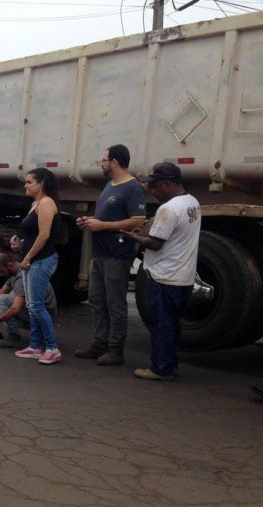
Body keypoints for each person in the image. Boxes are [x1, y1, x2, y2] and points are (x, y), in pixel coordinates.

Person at [122, 162, 201, 380]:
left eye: (155, 187)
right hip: (182, 276)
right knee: (172, 324)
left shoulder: (168, 208)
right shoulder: (192, 202)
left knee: (161, 323)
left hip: (165, 276)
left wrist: (134, 236)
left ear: (167, 184)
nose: (152, 192)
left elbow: (155, 243)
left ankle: (161, 368)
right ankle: (169, 364)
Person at [75, 144, 147, 366]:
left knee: (115, 302)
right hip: (99, 253)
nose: (102, 163)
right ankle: (99, 344)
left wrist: (102, 225)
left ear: (114, 162)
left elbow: (137, 220)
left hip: (117, 254)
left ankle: (116, 349)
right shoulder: (109, 185)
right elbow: (102, 219)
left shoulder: (133, 187)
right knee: (97, 300)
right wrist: (88, 222)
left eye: (104, 160)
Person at [14, 168, 61, 364]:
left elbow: (44, 235)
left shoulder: (47, 203)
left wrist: (28, 258)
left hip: (41, 260)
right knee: (32, 306)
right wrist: (18, 239)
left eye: (29, 182)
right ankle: (35, 346)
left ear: (41, 184)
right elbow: (30, 231)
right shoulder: (35, 204)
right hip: (31, 260)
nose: (25, 185)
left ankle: (52, 348)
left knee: (37, 305)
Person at [0, 252, 57, 348]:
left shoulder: (22, 276)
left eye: (2, 271)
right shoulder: (15, 273)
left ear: (10, 265)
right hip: (43, 315)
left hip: (45, 317)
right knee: (7, 296)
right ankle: (39, 336)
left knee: (4, 300)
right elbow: (1, 292)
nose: (0, 274)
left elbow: (16, 308)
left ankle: (14, 337)